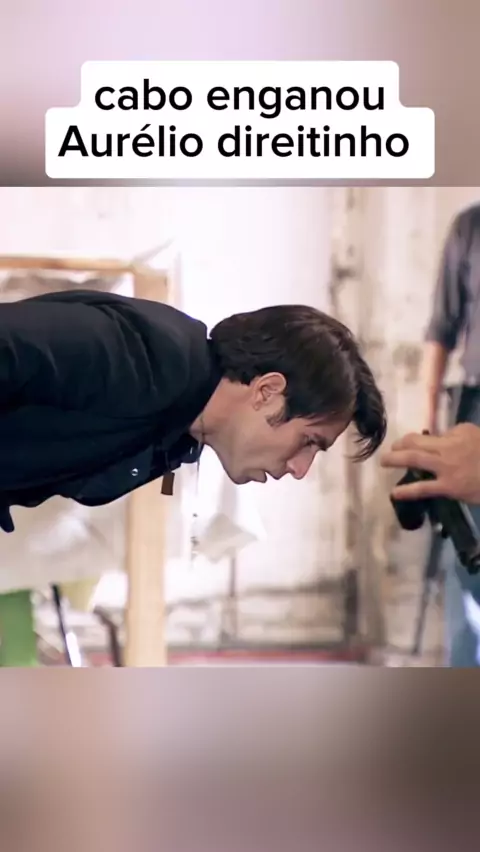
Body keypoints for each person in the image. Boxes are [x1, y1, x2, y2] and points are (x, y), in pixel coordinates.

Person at [0, 288, 387, 534]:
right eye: (309, 441)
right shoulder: (140, 353)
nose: (300, 469)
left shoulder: (177, 432)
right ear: (267, 391)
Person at [382, 202, 480, 666]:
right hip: (475, 408)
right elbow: (442, 328)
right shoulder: (470, 227)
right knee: (465, 556)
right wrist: (428, 425)